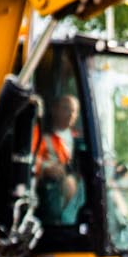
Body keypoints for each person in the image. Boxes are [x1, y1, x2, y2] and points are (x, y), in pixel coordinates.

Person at [33, 93, 86, 226]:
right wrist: (45, 168)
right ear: (54, 109)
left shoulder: (80, 139)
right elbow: (30, 159)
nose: (71, 114)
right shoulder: (40, 135)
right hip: (51, 191)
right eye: (66, 109)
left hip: (79, 191)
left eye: (74, 111)